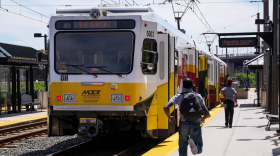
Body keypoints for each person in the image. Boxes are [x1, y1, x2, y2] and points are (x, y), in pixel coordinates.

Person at [163, 78, 210, 156]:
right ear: (192, 86)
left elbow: (165, 107)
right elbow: (207, 113)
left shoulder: (178, 96)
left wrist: (169, 116)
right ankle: (196, 147)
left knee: (182, 149)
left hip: (184, 124)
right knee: (199, 149)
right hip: (195, 124)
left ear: (183, 85)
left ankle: (188, 140)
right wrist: (202, 119)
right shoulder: (198, 96)